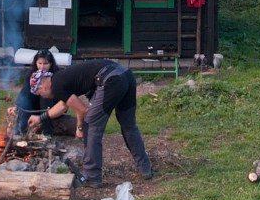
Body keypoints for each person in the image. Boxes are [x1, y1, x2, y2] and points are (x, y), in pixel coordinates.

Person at [28, 59, 153, 187]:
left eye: (39, 93)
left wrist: (80, 127)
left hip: (111, 79)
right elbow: (64, 106)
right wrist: (40, 119)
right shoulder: (60, 78)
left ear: (42, 86)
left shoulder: (56, 86)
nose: (42, 96)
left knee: (91, 126)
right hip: (125, 74)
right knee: (129, 126)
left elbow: (83, 111)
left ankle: (92, 177)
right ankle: (145, 168)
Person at [8, 49, 60, 136]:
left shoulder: (56, 74)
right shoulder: (31, 74)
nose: (42, 67)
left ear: (51, 64)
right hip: (36, 107)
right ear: (35, 63)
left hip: (54, 106)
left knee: (45, 97)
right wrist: (17, 107)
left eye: (45, 64)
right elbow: (25, 91)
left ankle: (47, 133)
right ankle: (20, 130)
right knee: (26, 99)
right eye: (39, 63)